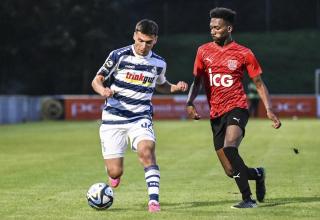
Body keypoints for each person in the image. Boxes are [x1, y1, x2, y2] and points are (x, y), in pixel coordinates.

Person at [186, 7, 281, 209]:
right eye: (211, 27)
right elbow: (197, 81)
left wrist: (269, 110)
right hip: (216, 113)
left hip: (237, 107)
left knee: (230, 147)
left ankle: (248, 199)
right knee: (231, 170)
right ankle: (257, 174)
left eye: (217, 27)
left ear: (229, 28)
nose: (213, 31)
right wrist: (189, 102)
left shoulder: (244, 53)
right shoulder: (203, 51)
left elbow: (259, 84)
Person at [91, 19, 188, 213]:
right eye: (141, 40)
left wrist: (174, 87)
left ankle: (153, 201)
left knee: (147, 152)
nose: (144, 46)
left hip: (140, 117)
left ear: (155, 40)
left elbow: (160, 84)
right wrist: (102, 91)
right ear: (135, 35)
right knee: (115, 171)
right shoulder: (118, 55)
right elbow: (97, 79)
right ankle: (114, 175)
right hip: (113, 117)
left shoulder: (159, 63)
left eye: (148, 42)